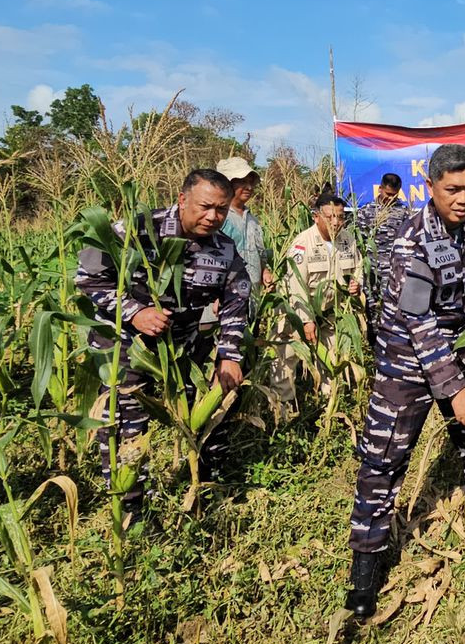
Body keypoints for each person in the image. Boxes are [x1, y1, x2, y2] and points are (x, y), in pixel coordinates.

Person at [346, 144, 465, 619]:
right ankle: (366, 566)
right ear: (431, 187)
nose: (464, 198)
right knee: (383, 457)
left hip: (463, 342)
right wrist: (455, 391)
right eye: (452, 189)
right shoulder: (411, 240)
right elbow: (419, 324)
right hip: (406, 358)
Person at [76, 169, 250, 517]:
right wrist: (134, 311)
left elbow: (237, 297)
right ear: (182, 199)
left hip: (183, 346)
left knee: (207, 408)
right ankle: (130, 510)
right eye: (204, 207)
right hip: (126, 346)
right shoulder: (137, 232)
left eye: (221, 209)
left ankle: (206, 486)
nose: (213, 217)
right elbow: (88, 279)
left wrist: (229, 353)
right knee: (127, 427)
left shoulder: (224, 248)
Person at [264, 192, 363, 418]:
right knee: (286, 360)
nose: (336, 222)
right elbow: (295, 286)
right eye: (330, 217)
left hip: (329, 313)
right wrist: (305, 320)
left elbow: (357, 268)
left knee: (331, 358)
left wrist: (357, 284)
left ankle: (328, 408)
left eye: (340, 217)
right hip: (296, 314)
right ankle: (284, 414)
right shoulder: (302, 243)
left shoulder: (347, 239)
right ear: (316, 217)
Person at [354, 172, 414, 329]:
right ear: (380, 189)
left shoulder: (404, 212)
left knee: (391, 306)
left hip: (393, 269)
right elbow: (358, 241)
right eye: (388, 194)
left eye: (394, 195)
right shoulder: (366, 212)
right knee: (371, 307)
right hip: (371, 269)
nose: (390, 198)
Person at [215, 157, 272, 292]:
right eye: (242, 182)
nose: (249, 187)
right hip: (224, 296)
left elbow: (259, 253)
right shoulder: (217, 217)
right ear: (227, 184)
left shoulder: (253, 220)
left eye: (251, 183)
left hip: (251, 295)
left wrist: (265, 271)